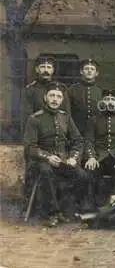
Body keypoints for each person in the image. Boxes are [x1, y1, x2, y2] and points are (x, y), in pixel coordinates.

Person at [24, 82, 90, 226]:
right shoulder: (35, 118)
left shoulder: (65, 117)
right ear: (45, 97)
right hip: (40, 161)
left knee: (82, 176)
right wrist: (47, 157)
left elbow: (78, 140)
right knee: (46, 172)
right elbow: (30, 147)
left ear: (62, 100)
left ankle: (67, 208)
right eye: (52, 95)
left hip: (63, 160)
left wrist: (73, 158)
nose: (55, 99)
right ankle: (52, 213)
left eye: (59, 96)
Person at [83, 89, 115, 207]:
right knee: (90, 171)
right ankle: (90, 207)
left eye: (113, 100)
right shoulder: (93, 120)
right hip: (99, 157)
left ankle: (112, 206)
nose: (110, 102)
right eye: (106, 100)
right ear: (102, 102)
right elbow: (89, 140)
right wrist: (91, 156)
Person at [24, 55, 71, 121]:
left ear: (52, 70)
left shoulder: (61, 88)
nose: (46, 70)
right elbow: (27, 115)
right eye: (42, 67)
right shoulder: (30, 89)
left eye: (49, 67)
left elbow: (66, 114)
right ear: (37, 69)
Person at [68, 58, 103, 134]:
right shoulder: (72, 89)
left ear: (96, 73)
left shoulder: (100, 91)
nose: (89, 71)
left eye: (92, 69)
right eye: (86, 69)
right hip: (77, 130)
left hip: (96, 131)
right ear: (81, 71)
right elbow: (68, 112)